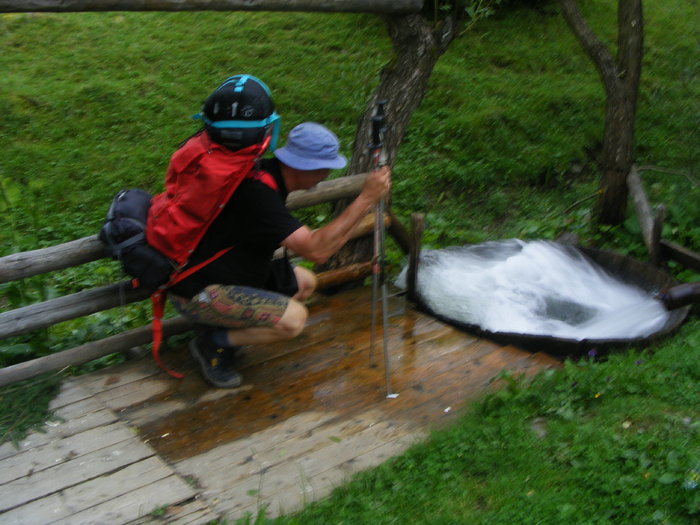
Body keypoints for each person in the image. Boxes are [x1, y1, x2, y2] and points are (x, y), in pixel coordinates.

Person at [159, 77, 391, 388]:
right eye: (325, 168)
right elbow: (316, 250)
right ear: (304, 166)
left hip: (231, 277)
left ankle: (226, 328)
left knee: (305, 281)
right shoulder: (259, 194)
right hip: (198, 292)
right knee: (294, 320)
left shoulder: (265, 174)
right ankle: (213, 341)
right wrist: (365, 199)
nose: (326, 176)